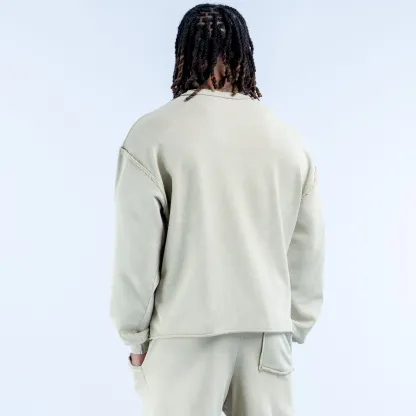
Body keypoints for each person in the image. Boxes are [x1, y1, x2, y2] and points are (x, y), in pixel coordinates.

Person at [110, 3, 325, 416]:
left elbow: (136, 251)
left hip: (182, 334)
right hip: (267, 336)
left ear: (183, 54)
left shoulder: (152, 135)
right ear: (245, 54)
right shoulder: (287, 140)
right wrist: (292, 324)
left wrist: (133, 335)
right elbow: (308, 248)